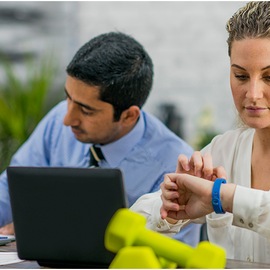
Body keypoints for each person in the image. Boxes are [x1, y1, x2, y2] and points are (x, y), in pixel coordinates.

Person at [0, 31, 201, 245]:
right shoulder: (59, 118)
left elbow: (173, 254)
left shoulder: (175, 166)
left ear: (128, 116)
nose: (68, 119)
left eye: (86, 111)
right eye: (68, 98)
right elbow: (8, 193)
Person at [131, 1, 270, 264]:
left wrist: (222, 197)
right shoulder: (223, 150)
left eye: (269, 77)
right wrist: (171, 206)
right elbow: (135, 218)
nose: (253, 94)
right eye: (241, 76)